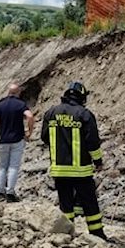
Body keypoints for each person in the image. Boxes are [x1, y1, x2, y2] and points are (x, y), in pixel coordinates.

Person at [41, 81, 106, 239]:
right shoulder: (84, 114)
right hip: (81, 171)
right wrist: (98, 162)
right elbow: (93, 142)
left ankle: (67, 234)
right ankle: (97, 235)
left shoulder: (51, 113)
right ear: (82, 97)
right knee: (90, 204)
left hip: (59, 169)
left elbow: (44, 137)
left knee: (66, 204)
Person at [0, 82, 34, 202]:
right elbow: (30, 116)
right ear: (18, 92)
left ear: (8, 92)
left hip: (4, 140)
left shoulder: (1, 105)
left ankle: (0, 189)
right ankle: (10, 191)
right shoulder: (21, 104)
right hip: (17, 139)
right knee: (14, 166)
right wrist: (29, 132)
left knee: (3, 166)